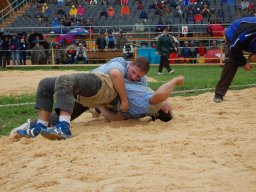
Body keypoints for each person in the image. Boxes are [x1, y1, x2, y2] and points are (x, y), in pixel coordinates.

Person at [14, 72, 184, 140]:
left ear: (166, 109)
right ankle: (33, 125)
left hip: (100, 97)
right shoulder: (144, 105)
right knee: (60, 112)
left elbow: (115, 118)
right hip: (99, 98)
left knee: (65, 106)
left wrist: (175, 81)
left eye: (170, 106)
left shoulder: (153, 106)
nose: (170, 104)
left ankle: (37, 126)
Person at [14, 57, 150, 139]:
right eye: (133, 73)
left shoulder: (142, 81)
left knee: (66, 84)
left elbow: (144, 95)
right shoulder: (121, 62)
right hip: (88, 89)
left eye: (138, 76)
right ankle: (37, 126)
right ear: (130, 64)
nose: (134, 77)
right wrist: (124, 100)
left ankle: (64, 128)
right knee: (48, 89)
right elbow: (115, 74)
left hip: (99, 92)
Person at [214, 17, 256, 103]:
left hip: (250, 42)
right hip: (233, 36)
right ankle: (219, 93)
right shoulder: (249, 29)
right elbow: (234, 48)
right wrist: (244, 63)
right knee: (233, 60)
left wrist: (253, 56)